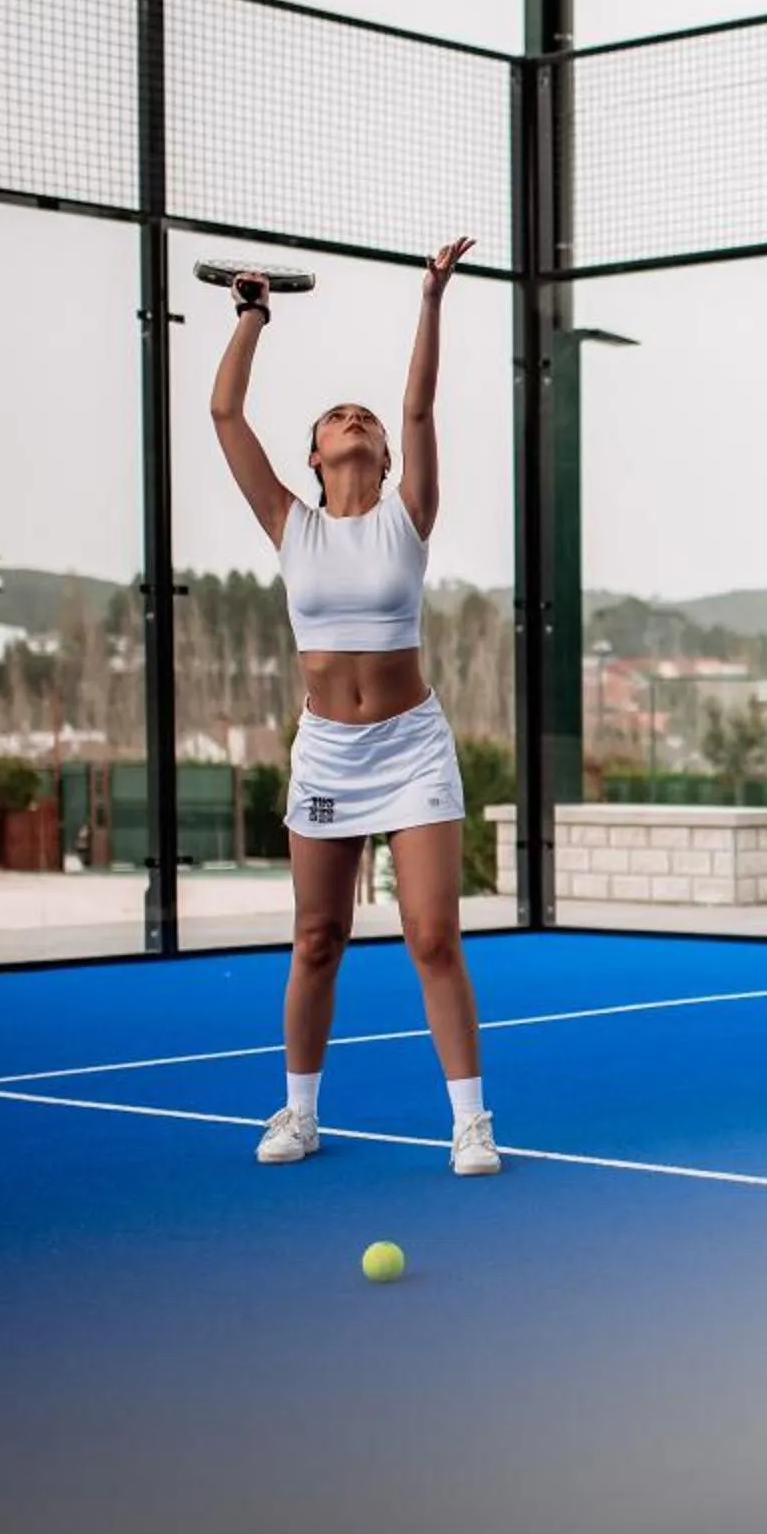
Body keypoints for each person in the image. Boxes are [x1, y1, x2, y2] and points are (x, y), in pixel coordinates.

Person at [208, 239, 498, 1176]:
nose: (356, 418)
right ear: (316, 455)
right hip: (329, 753)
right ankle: (298, 1113)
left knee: (431, 934)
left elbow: (418, 401)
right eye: (337, 416)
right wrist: (252, 315)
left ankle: (469, 1122)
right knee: (318, 938)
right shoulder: (290, 523)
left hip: (412, 748)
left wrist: (432, 297)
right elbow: (223, 412)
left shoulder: (407, 516)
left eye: (362, 415)